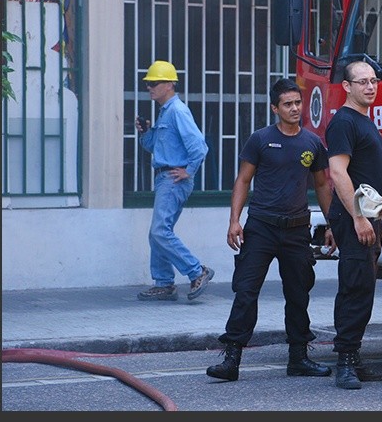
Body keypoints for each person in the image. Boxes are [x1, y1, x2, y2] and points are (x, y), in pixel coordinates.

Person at [206, 78, 337, 382]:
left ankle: (299, 358)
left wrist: (333, 224)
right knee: (246, 291)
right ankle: (231, 359)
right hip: (261, 228)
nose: (294, 109)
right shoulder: (260, 139)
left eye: (298, 103)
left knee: (298, 293)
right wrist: (234, 221)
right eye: (288, 104)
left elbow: (321, 185)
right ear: (275, 108)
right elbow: (242, 180)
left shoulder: (312, 144)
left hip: (296, 230)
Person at [325, 61, 382, 389]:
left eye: (374, 81)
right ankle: (344, 360)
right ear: (347, 87)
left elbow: (369, 164)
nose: (370, 87)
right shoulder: (343, 122)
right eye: (362, 82)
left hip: (371, 216)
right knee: (355, 287)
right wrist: (358, 217)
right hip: (355, 217)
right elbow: (338, 172)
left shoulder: (363, 120)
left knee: (365, 288)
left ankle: (354, 357)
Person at [135, 60, 214, 302]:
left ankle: (196, 270)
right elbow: (156, 148)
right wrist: (146, 132)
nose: (150, 87)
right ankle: (164, 283)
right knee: (158, 232)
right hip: (166, 178)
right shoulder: (166, 112)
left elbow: (199, 147)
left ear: (169, 84)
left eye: (154, 83)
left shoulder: (178, 111)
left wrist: (188, 171)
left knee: (160, 230)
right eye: (148, 83)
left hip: (172, 178)